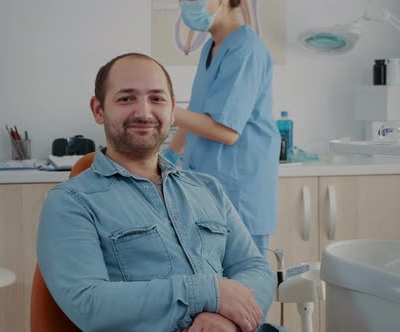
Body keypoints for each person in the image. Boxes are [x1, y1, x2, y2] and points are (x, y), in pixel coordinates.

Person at [37, 53, 285, 332]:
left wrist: (223, 322)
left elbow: (256, 268)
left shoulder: (208, 189)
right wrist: (207, 293)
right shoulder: (70, 202)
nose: (144, 113)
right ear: (98, 110)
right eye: (126, 99)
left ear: (172, 109)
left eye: (157, 99)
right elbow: (89, 303)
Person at [164, 0, 280, 254]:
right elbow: (199, 113)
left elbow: (226, 131)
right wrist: (169, 156)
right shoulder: (211, 48)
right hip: (210, 189)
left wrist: (164, 108)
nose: (188, 5)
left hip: (240, 194)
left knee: (244, 286)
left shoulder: (245, 49)